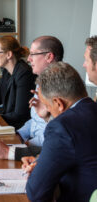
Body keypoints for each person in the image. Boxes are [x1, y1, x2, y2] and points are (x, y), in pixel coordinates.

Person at [23, 62, 97, 202]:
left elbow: (36, 193)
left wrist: (38, 171)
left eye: (47, 106)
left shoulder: (62, 126)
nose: (48, 111)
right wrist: (43, 161)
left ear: (58, 103)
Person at [0, 36, 64, 160]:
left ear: (49, 57)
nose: (28, 59)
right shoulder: (41, 82)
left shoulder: (62, 86)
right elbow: (33, 120)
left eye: (33, 54)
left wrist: (25, 145)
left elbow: (56, 136)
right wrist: (19, 135)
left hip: (42, 152)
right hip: (31, 144)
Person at [0, 36, 36, 129]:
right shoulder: (7, 72)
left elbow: (19, 115)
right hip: (8, 125)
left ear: (9, 54)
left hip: (19, 129)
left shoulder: (24, 74)